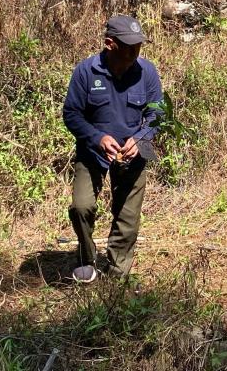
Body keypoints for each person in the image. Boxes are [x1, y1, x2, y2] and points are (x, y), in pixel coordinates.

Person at [62, 14, 163, 282]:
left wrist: (140, 138)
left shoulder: (147, 72)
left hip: (134, 152)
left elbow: (157, 114)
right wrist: (97, 138)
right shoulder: (86, 71)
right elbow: (72, 114)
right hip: (92, 152)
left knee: (127, 216)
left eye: (138, 45)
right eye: (129, 46)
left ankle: (118, 274)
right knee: (81, 207)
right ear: (110, 44)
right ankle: (86, 260)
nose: (135, 52)